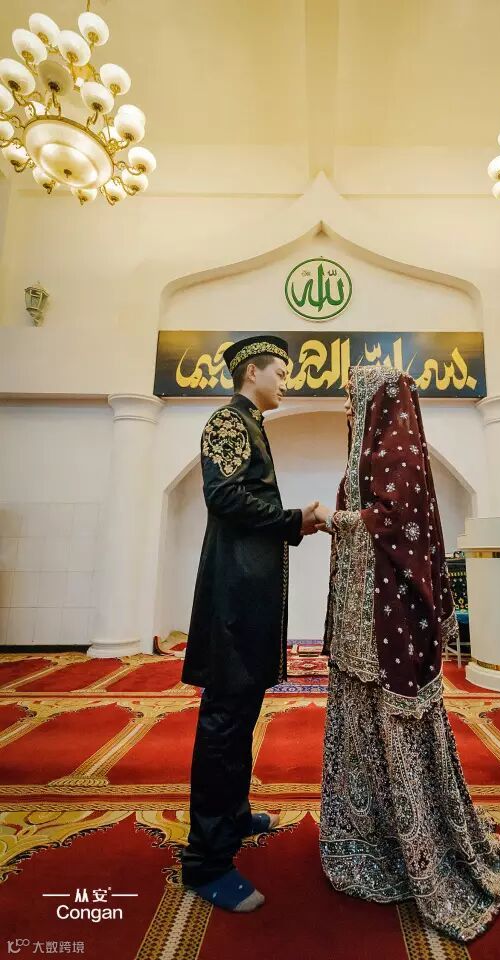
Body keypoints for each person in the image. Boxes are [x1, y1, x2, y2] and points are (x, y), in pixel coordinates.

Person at [314, 365, 500, 942]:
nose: (347, 410)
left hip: (387, 626)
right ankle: (366, 839)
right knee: (361, 731)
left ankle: (416, 849)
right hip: (357, 628)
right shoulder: (364, 457)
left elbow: (393, 522)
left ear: (379, 400)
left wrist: (330, 520)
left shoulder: (400, 458)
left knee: (396, 732)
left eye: (353, 398)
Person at [181, 335, 319, 913]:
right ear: (251, 373)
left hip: (248, 598)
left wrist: (293, 522)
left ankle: (234, 818)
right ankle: (206, 863)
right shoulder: (228, 421)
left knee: (241, 715)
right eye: (280, 372)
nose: (287, 380)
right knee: (224, 722)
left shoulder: (250, 424)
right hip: (232, 601)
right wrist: (294, 518)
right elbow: (224, 497)